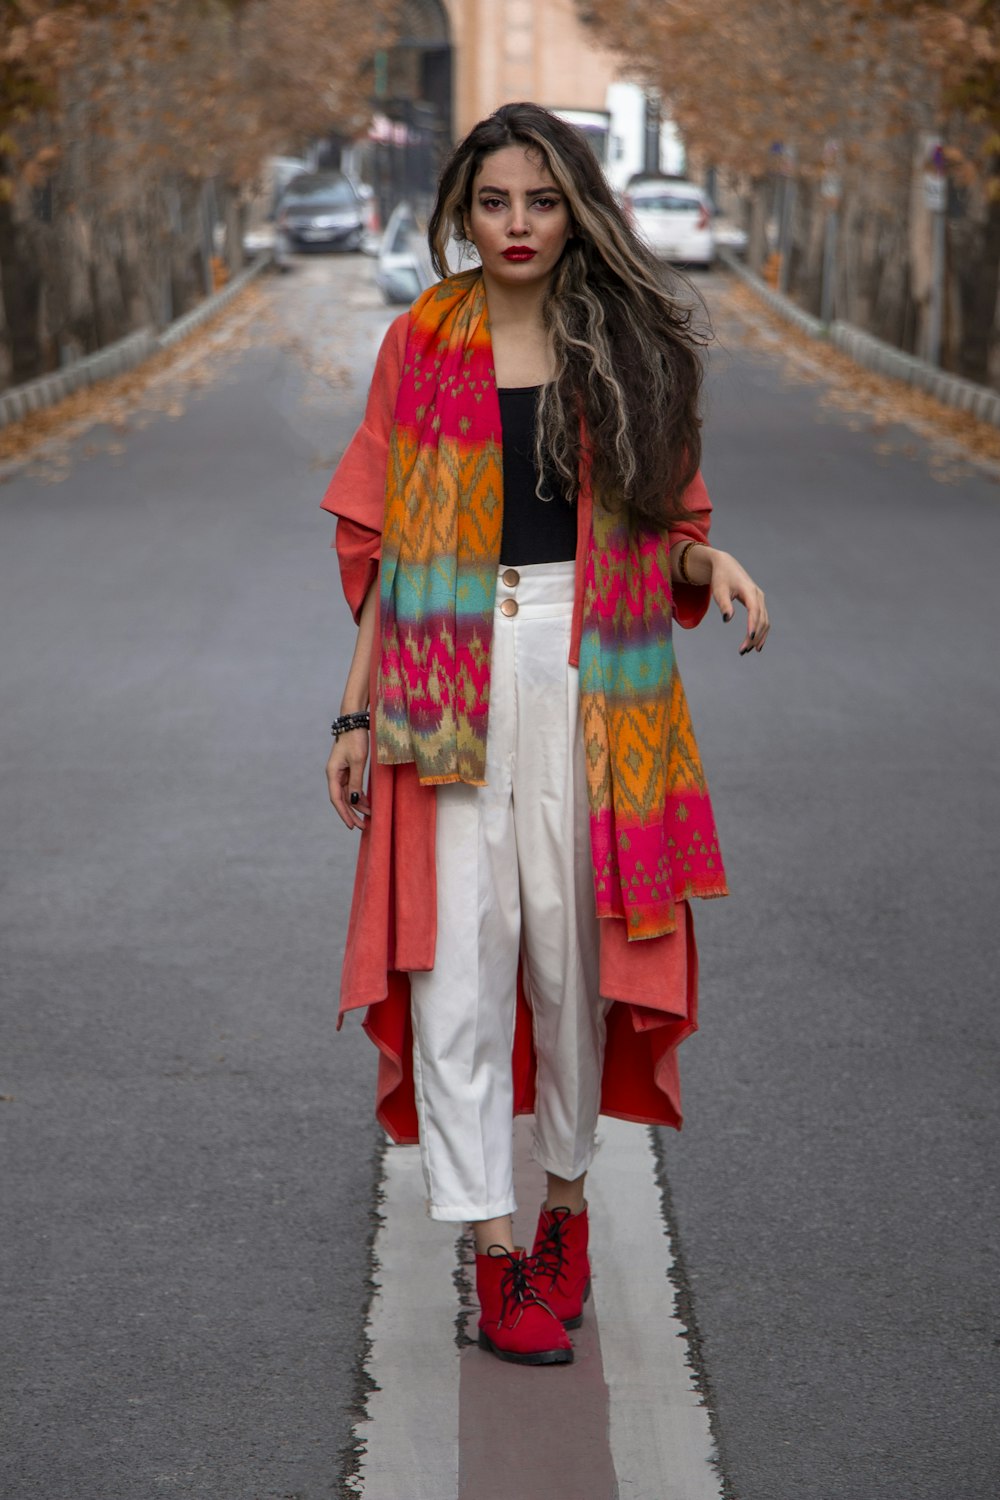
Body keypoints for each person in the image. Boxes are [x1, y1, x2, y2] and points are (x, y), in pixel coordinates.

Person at [322, 102, 769, 1368]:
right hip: (441, 671)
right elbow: (387, 554)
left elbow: (659, 519)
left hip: (592, 669)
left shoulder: (622, 342)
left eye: (542, 201)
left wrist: (708, 555)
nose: (516, 226)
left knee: (575, 958)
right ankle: (495, 1252)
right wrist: (355, 711)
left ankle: (566, 1213)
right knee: (455, 966)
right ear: (463, 212)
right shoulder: (424, 339)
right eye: (494, 202)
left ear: (578, 208)